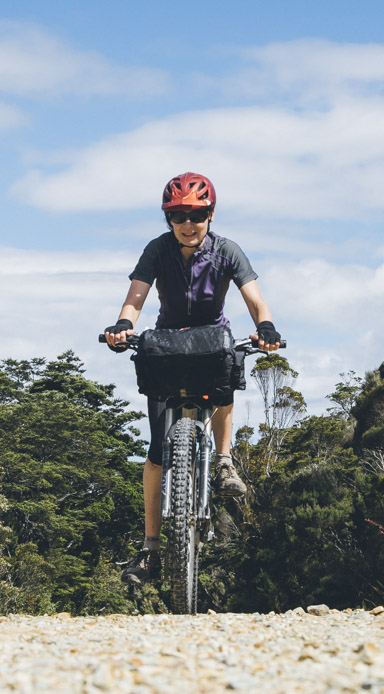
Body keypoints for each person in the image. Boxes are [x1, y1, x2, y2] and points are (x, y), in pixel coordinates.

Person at [105, 171, 282, 585]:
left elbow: (254, 299)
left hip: (211, 338)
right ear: (168, 218)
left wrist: (267, 326)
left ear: (210, 215)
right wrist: (121, 325)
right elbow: (135, 297)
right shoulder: (157, 250)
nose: (188, 223)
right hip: (167, 343)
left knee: (228, 361)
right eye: (178, 215)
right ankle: (150, 549)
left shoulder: (227, 251)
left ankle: (223, 459)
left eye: (197, 215)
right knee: (155, 454)